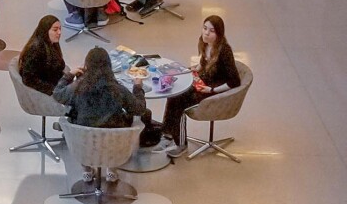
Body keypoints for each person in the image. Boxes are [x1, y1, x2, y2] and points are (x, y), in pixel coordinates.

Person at [54, 47, 150, 183]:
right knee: (118, 125)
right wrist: (138, 88)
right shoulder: (118, 90)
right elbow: (139, 109)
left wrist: (69, 75)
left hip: (83, 143)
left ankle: (87, 170)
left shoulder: (78, 87)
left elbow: (58, 94)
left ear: (86, 66)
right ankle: (112, 171)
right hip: (114, 143)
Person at [162, 15, 241, 156]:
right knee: (174, 92)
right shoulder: (204, 42)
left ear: (219, 34)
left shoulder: (224, 51)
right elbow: (204, 62)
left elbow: (235, 81)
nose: (206, 33)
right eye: (204, 28)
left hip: (214, 88)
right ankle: (168, 132)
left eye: (211, 31)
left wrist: (211, 89)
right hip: (204, 80)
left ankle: (181, 144)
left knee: (180, 101)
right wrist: (196, 68)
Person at [17, 15, 75, 96]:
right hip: (50, 90)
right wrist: (55, 91)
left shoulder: (52, 44)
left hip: (57, 84)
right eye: (55, 30)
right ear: (45, 31)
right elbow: (29, 79)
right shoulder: (35, 50)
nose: (59, 32)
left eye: (60, 29)